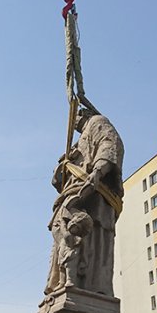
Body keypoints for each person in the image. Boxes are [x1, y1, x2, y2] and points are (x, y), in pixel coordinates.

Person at [44, 106, 124, 297]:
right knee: (62, 230)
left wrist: (98, 170)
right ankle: (61, 282)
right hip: (74, 190)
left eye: (77, 117)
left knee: (89, 234)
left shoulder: (98, 122)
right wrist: (63, 166)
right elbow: (59, 180)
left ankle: (90, 285)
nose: (75, 123)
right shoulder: (78, 141)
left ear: (84, 113)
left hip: (94, 193)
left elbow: (110, 144)